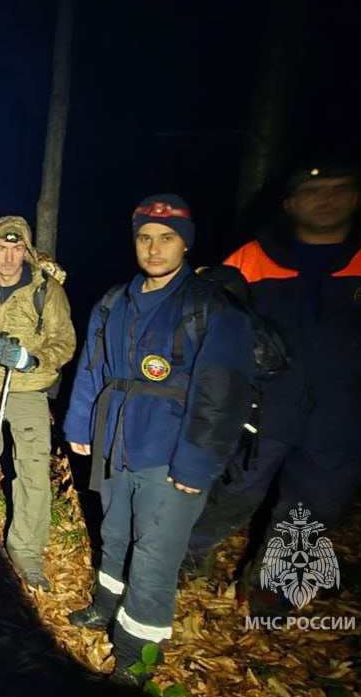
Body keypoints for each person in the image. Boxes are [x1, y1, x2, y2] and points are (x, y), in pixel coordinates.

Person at [185, 163, 361, 606]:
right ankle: (190, 554)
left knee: (313, 508)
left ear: (359, 197)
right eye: (312, 190)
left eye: (339, 188)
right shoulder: (249, 261)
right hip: (261, 412)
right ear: (290, 204)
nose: (326, 198)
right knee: (231, 490)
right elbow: (216, 338)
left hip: (347, 414)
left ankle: (272, 593)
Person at [63, 195, 255, 687]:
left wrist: (196, 465)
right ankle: (106, 605)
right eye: (145, 238)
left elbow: (222, 394)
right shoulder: (114, 301)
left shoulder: (210, 306)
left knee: (155, 555)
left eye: (166, 238)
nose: (154, 248)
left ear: (185, 244)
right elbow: (92, 365)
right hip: (118, 441)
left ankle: (136, 654)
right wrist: (80, 425)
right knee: (113, 532)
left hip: (172, 453)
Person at [0, 215, 76, 591]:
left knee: (30, 469)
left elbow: (64, 342)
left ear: (26, 250)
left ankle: (26, 550)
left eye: (15, 248)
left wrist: (31, 358)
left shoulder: (47, 290)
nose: (8, 257)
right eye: (1, 247)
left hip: (29, 389)